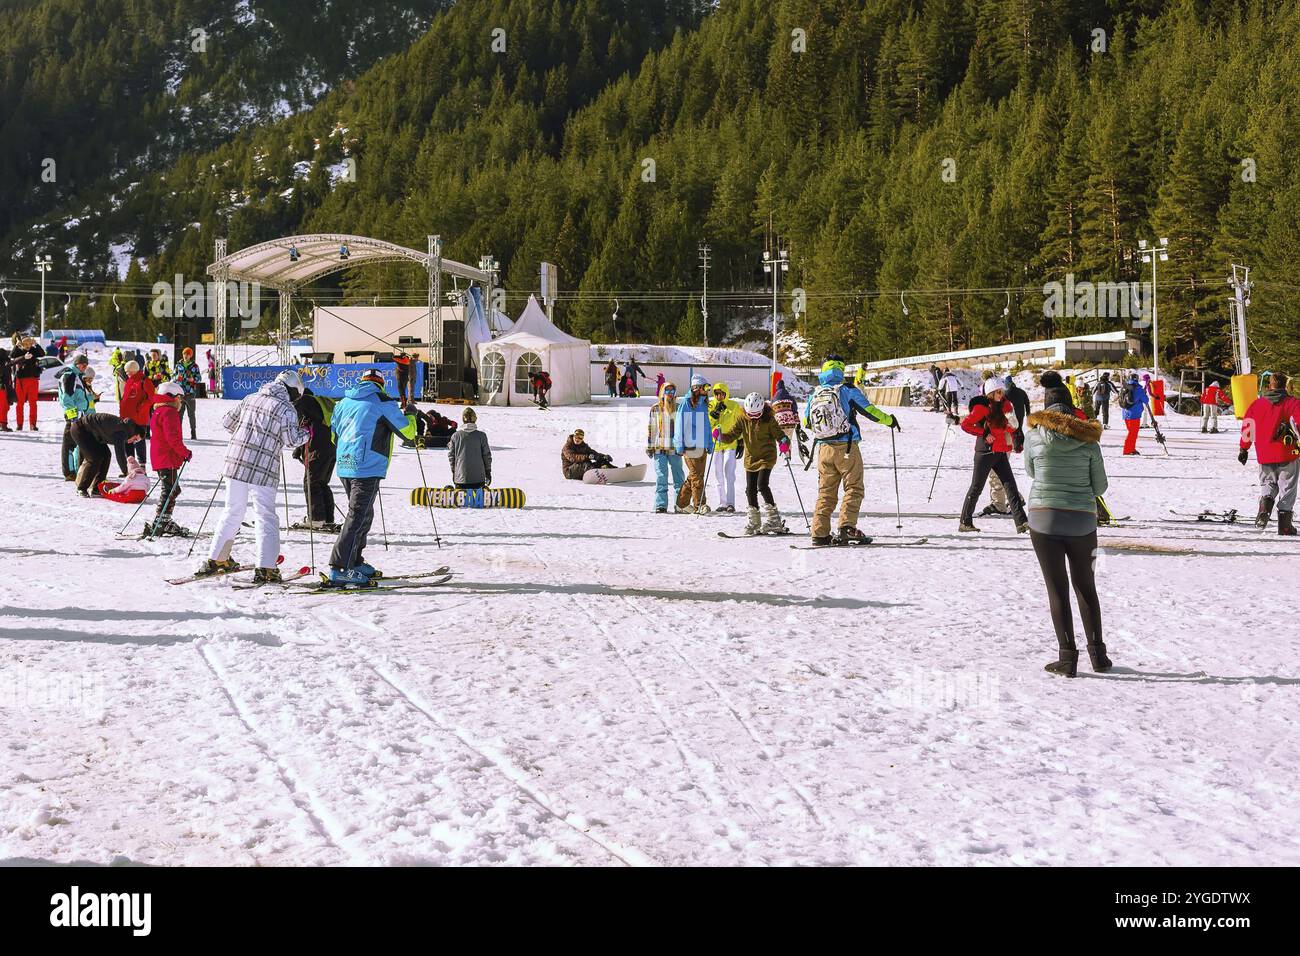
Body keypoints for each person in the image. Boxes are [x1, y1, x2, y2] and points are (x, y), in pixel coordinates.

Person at [1023, 375, 1111, 677]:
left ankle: (1067, 657)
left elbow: (1031, 471)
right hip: (1082, 520)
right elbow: (1100, 487)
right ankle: (1098, 656)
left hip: (1043, 517)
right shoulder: (1088, 441)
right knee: (1086, 586)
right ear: (1072, 409)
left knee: (1057, 589)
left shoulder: (1034, 437)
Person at [198, 370, 310, 582]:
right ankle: (266, 567)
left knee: (232, 511)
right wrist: (307, 431)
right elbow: (291, 440)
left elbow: (227, 423)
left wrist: (248, 435)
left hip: (235, 463)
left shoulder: (251, 398)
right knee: (265, 515)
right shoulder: (286, 408)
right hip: (263, 469)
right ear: (293, 391)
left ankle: (216, 558)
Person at [327, 369, 418, 586]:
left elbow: (333, 436)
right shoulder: (382, 401)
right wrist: (411, 414)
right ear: (380, 384)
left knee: (364, 515)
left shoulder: (343, 402)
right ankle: (340, 567)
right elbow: (408, 433)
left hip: (345, 464)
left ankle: (355, 561)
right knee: (358, 516)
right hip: (366, 466)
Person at [803, 357, 899, 545]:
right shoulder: (847, 390)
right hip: (846, 447)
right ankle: (847, 527)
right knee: (854, 487)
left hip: (823, 449)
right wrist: (889, 420)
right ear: (841, 370)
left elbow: (807, 422)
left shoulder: (815, 393)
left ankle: (819, 533)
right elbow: (869, 410)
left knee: (826, 492)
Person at [958, 378, 1029, 533]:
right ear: (990, 393)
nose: (1001, 394)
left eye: (1002, 391)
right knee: (976, 488)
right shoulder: (982, 408)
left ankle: (1022, 523)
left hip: (1000, 451)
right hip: (985, 453)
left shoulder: (1004, 406)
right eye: (997, 391)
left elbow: (1009, 428)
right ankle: (965, 522)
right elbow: (966, 425)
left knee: (1010, 486)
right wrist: (984, 433)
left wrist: (1012, 424)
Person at [719, 392, 791, 534]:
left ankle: (774, 520)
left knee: (762, 485)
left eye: (756, 415)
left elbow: (780, 435)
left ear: (762, 410)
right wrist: (721, 436)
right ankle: (754, 521)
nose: (752, 417)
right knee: (750, 489)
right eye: (750, 414)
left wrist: (784, 442)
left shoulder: (769, 419)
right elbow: (732, 435)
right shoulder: (742, 418)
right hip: (751, 458)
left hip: (767, 456)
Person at [1239, 371, 1300, 535]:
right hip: (1287, 452)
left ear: (1269, 386)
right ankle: (1285, 526)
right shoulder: (1292, 403)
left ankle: (1265, 505)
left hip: (1264, 453)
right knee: (1288, 486)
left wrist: (1244, 448)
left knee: (1268, 483)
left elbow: (1248, 426)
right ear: (1284, 386)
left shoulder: (1256, 404)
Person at [146, 382, 192, 537]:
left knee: (172, 489)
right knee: (170, 490)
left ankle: (163, 520)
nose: (180, 402)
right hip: (167, 457)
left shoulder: (158, 410)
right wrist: (185, 452)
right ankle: (161, 522)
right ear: (173, 397)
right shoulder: (169, 413)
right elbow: (172, 438)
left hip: (160, 457)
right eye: (179, 398)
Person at [293, 385, 339, 531]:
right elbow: (310, 426)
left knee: (311, 483)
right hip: (332, 447)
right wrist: (299, 449)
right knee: (321, 483)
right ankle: (327, 518)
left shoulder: (303, 401)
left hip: (317, 449)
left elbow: (300, 426)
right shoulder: (321, 404)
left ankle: (317, 518)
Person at [69, 412, 143, 496]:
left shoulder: (126, 429)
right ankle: (81, 488)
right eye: (136, 439)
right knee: (94, 458)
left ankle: (97, 487)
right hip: (80, 429)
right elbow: (120, 453)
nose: (133, 441)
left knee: (106, 455)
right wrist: (126, 472)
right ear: (134, 433)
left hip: (93, 434)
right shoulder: (122, 432)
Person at [674, 374, 715, 513]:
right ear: (697, 388)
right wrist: (679, 444)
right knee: (697, 477)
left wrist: (710, 442)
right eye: (706, 387)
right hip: (690, 445)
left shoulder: (703, 403)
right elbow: (679, 425)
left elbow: (707, 425)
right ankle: (700, 505)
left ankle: (682, 504)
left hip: (702, 445)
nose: (707, 390)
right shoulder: (686, 403)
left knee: (694, 476)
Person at [647, 382, 682, 513]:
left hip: (675, 449)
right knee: (661, 477)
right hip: (659, 449)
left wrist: (683, 445)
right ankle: (660, 504)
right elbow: (652, 428)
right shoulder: (655, 409)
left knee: (678, 478)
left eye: (672, 391)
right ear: (662, 392)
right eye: (667, 391)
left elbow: (682, 428)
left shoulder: (678, 408)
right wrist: (650, 446)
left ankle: (680, 504)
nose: (670, 394)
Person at [57, 355, 94, 480]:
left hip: (79, 414)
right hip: (73, 415)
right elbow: (66, 398)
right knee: (69, 443)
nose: (84, 367)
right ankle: (69, 472)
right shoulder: (70, 375)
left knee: (76, 443)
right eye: (83, 365)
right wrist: (73, 417)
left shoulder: (76, 375)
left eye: (86, 365)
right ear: (76, 364)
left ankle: (76, 469)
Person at [708, 381, 743, 512]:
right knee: (718, 474)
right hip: (716, 444)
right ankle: (722, 502)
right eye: (716, 394)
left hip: (730, 443)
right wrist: (714, 415)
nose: (719, 396)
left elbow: (739, 424)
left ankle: (730, 503)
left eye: (721, 394)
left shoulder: (733, 406)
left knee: (729, 473)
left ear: (726, 393)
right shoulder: (711, 406)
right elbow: (708, 424)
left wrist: (741, 441)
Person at [119, 360, 156, 466]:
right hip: (127, 418)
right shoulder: (130, 381)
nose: (126, 373)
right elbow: (125, 399)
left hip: (139, 417)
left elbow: (152, 398)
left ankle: (142, 465)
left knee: (139, 441)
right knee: (128, 441)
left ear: (133, 370)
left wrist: (142, 406)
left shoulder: (145, 381)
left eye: (128, 371)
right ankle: (131, 465)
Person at [446, 406, 491, 489]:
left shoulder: (455, 436)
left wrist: (454, 472)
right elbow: (486, 455)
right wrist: (488, 471)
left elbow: (451, 456)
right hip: (479, 478)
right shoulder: (481, 436)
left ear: (463, 420)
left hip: (461, 478)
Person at [9, 337, 44, 430]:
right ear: (22, 344)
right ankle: (19, 424)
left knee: (33, 403)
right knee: (19, 403)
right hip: (20, 381)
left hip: (33, 379)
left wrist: (36, 344)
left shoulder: (34, 350)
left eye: (29, 344)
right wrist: (16, 345)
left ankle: (33, 424)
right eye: (26, 344)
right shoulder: (19, 351)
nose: (28, 346)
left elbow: (42, 353)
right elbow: (12, 355)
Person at [174, 347, 202, 439]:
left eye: (187, 354)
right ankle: (178, 433)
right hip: (180, 393)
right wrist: (176, 378)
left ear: (190, 355)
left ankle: (193, 433)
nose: (185, 356)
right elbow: (172, 377)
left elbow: (199, 378)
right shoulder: (178, 365)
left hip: (190, 393)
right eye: (184, 354)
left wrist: (193, 379)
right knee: (179, 414)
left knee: (191, 414)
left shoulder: (194, 366)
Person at [1119, 372, 1149, 455]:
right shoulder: (1138, 389)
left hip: (1125, 413)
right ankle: (1127, 450)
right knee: (1133, 433)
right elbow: (1146, 400)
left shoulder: (1125, 387)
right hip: (1134, 415)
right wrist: (1144, 394)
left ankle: (1131, 449)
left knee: (1132, 433)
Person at [0, 346, 12, 431]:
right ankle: (3, 424)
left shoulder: (5, 362)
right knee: (4, 406)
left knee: (4, 406)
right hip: (2, 387)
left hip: (4, 386)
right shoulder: (4, 363)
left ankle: (3, 423)